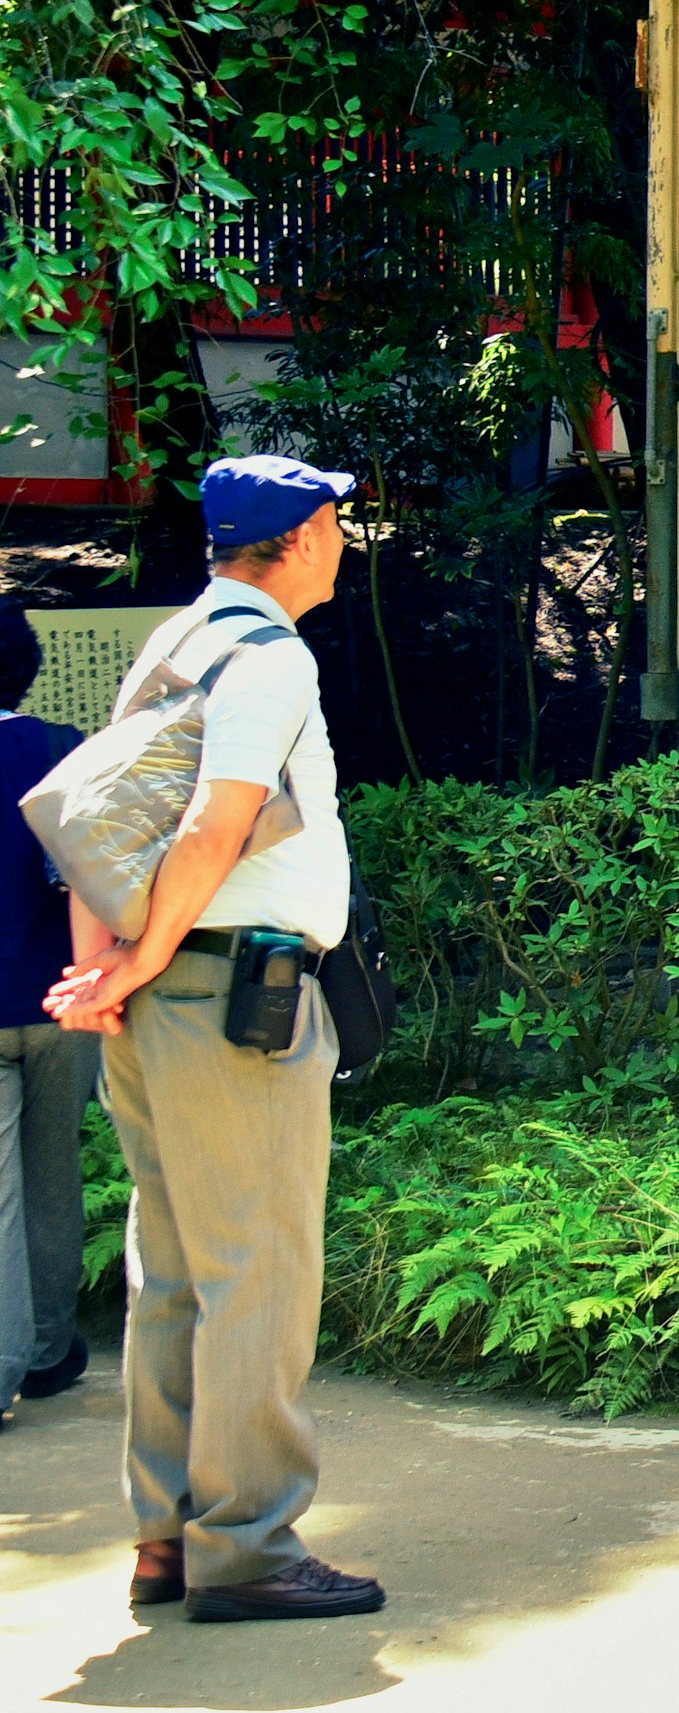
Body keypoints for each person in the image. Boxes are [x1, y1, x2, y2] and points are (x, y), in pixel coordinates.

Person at [46, 460, 385, 1624]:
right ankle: (247, 1547)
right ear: (295, 538)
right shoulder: (271, 655)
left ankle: (168, 1537)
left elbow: (85, 816)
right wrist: (130, 966)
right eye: (335, 523)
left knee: (179, 1276)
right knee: (260, 1277)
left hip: (164, 1007)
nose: (345, 539)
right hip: (236, 1003)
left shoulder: (174, 642)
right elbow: (215, 816)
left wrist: (104, 972)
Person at [0, 602, 96, 1434]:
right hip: (66, 997)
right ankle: (51, 1348)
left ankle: (2, 1366)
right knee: (53, 1169)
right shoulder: (65, 748)